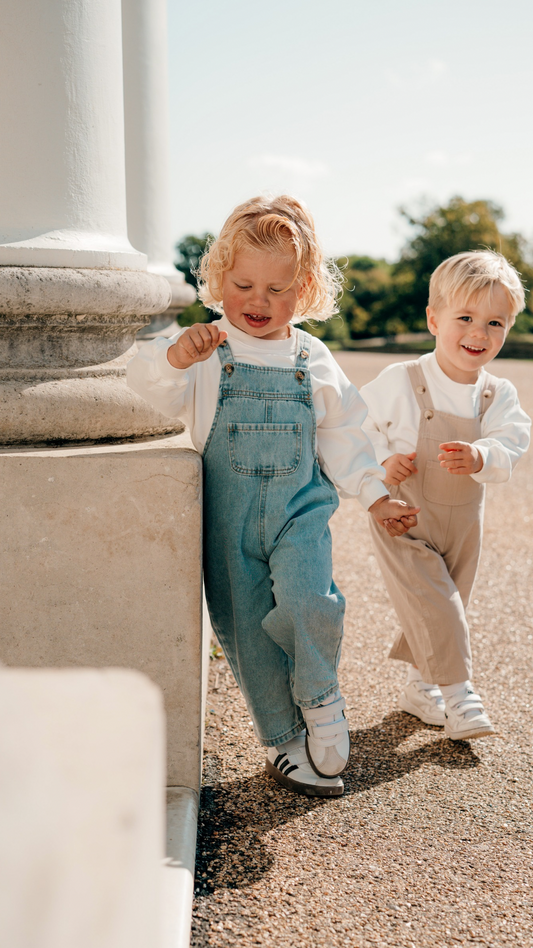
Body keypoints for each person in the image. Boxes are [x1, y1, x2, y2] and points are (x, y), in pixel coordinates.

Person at [127, 195, 418, 797]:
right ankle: (285, 740)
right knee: (246, 631)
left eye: (277, 289)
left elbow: (344, 436)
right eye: (243, 285)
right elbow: (148, 388)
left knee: (311, 600)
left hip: (298, 512)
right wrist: (174, 359)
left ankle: (321, 697)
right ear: (219, 279)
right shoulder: (207, 349)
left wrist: (375, 495)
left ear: (304, 288)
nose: (257, 301)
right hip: (226, 521)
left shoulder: (312, 357)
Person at [360, 250, 531, 740]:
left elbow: (513, 439)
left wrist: (482, 456)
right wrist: (380, 464)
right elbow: (354, 430)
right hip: (403, 515)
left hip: (464, 522)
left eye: (495, 323)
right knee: (438, 602)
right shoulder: (402, 381)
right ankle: (460, 696)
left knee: (446, 600)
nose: (479, 333)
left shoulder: (497, 393)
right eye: (465, 318)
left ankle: (421, 688)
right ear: (434, 320)